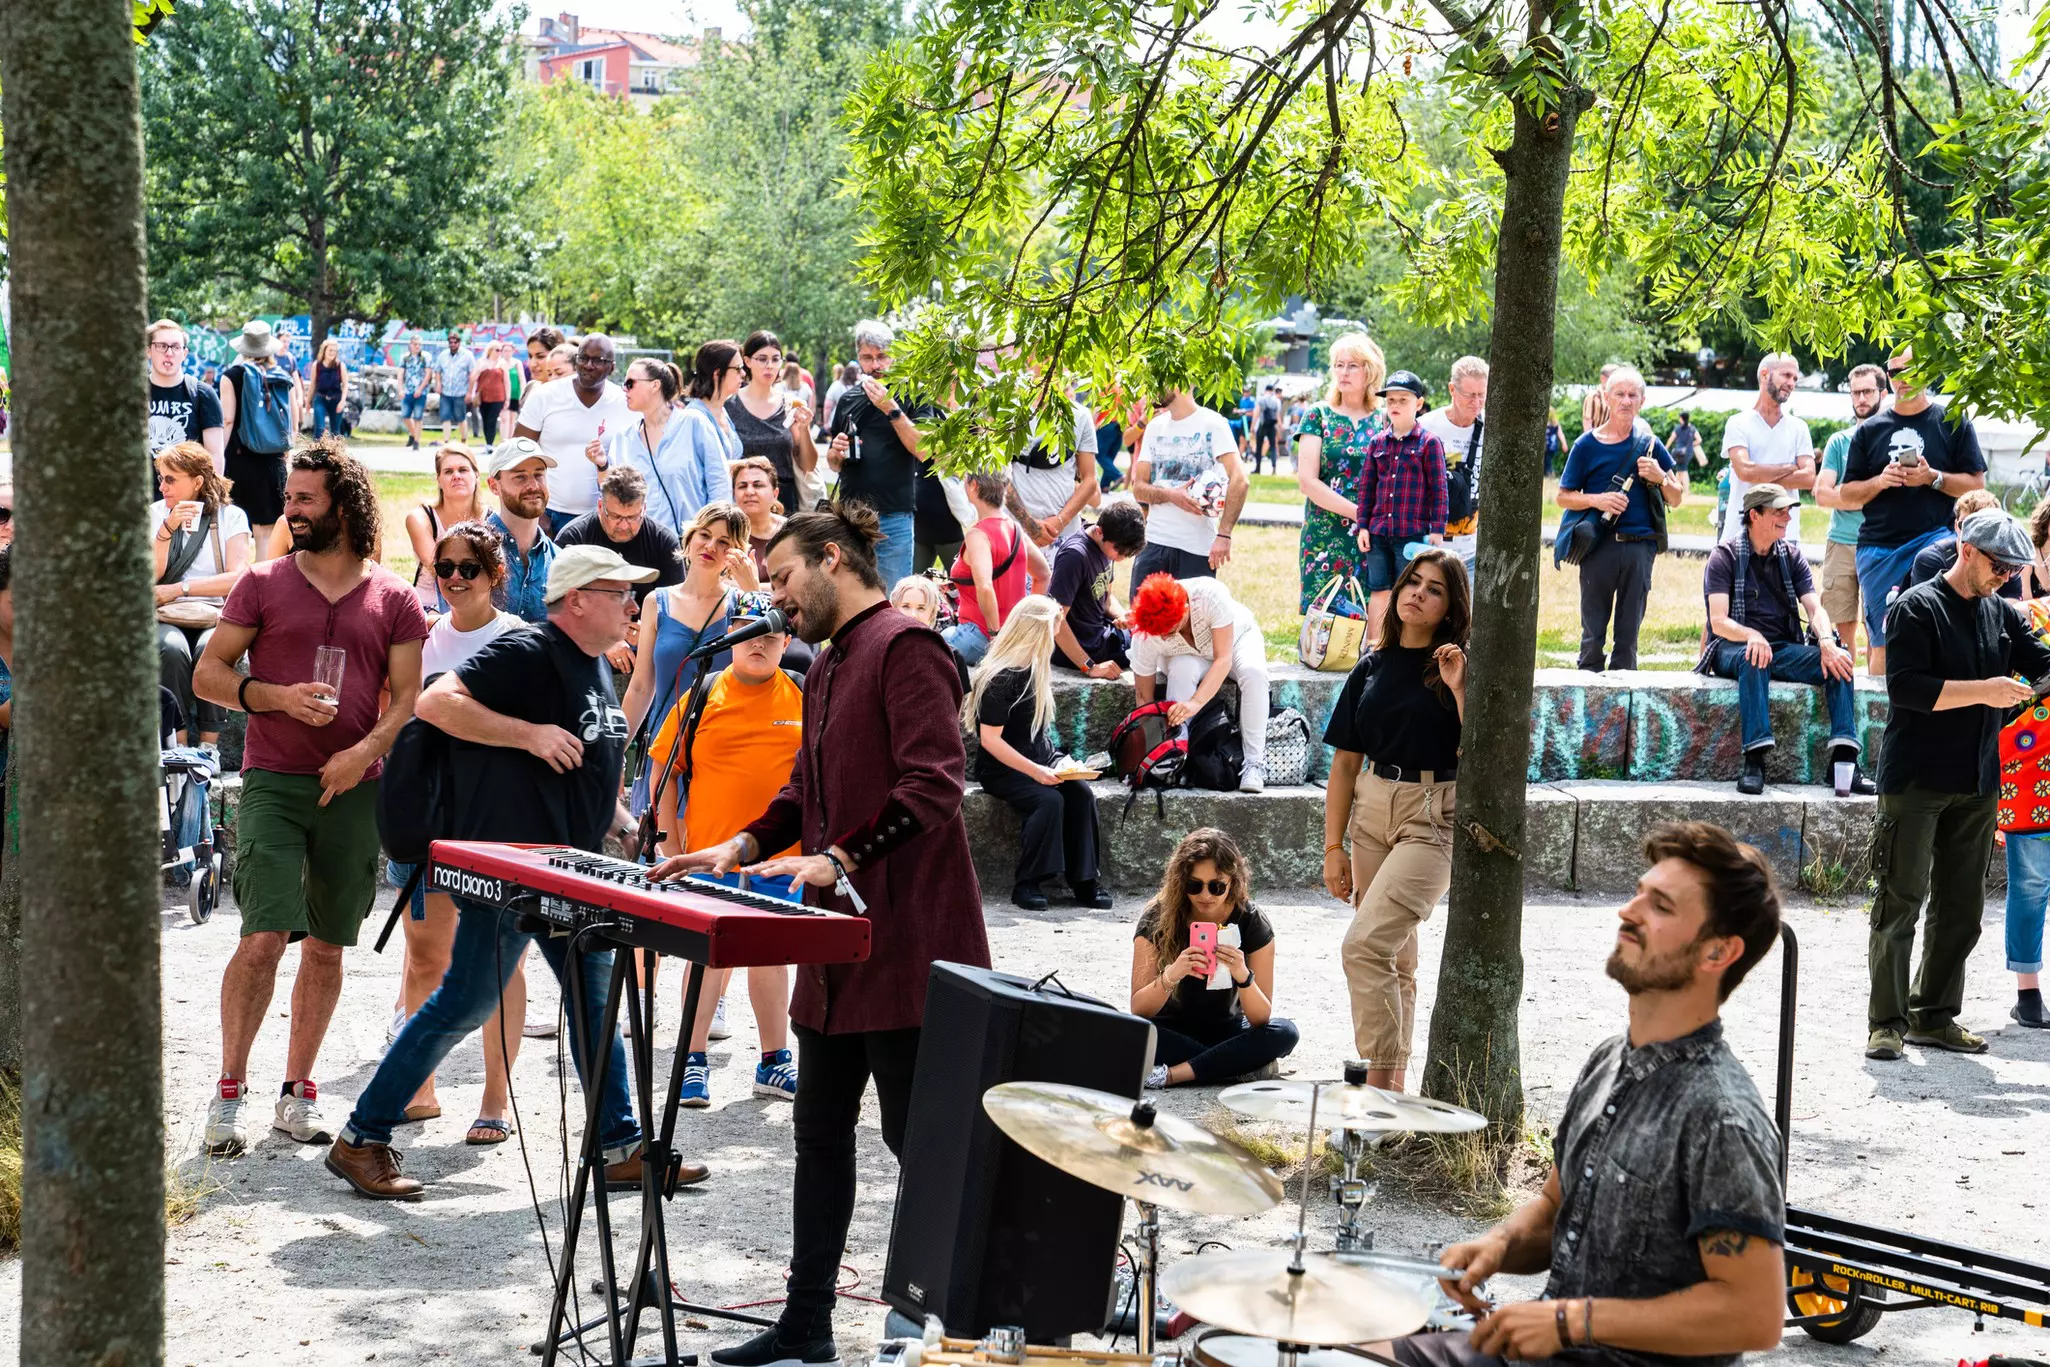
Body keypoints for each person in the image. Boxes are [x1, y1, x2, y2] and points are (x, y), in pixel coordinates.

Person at [650, 504, 991, 1367]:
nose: (776, 600)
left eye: (783, 578)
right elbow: (805, 794)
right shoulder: (831, 660)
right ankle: (807, 1322)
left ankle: (948, 1325)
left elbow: (935, 786)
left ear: (831, 558)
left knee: (918, 1141)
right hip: (835, 952)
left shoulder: (908, 648)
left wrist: (836, 860)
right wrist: (742, 844)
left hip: (912, 947)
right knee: (819, 1133)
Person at [1364, 822, 1788, 1367]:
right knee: (1330, 1342)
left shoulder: (1722, 1117)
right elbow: (1554, 1205)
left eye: (1659, 906)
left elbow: (1754, 1313)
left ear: (1717, 952)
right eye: (1639, 892)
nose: (1628, 912)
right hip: (1540, 1355)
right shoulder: (1609, 1060)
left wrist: (1570, 1320)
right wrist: (1498, 1246)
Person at [327, 545, 674, 1200]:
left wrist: (621, 821)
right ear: (577, 600)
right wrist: (526, 734)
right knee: (472, 998)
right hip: (513, 867)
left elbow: (580, 767)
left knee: (592, 1004)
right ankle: (361, 1137)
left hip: (567, 868)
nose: (633, 605)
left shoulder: (593, 666)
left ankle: (621, 1144)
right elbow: (436, 703)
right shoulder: (529, 651)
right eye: (619, 591)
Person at [192, 440, 428, 1156]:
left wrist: (361, 754)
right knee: (263, 932)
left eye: (303, 499)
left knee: (327, 945)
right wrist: (276, 698)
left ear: (344, 504)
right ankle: (228, 1092)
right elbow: (208, 674)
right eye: (288, 498)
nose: (289, 509)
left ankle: (296, 1093)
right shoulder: (261, 582)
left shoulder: (395, 596)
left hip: (355, 790)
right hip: (272, 780)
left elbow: (409, 699)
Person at [1865, 509, 2049, 1062]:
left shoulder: (2002, 613)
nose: (2004, 577)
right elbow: (1907, 691)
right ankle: (1886, 1024)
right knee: (1899, 902)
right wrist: (1986, 690)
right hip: (1916, 778)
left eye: (2014, 569)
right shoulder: (1915, 607)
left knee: (1963, 907)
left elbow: (2041, 662)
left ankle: (1934, 1016)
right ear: (1966, 549)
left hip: (1977, 780)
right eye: (1997, 566)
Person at [382, 521, 532, 1142]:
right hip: (429, 820)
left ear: (495, 575)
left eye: (468, 568)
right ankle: (421, 1087)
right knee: (424, 958)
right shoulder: (421, 639)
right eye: (444, 568)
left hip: (498, 823)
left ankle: (495, 1099)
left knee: (502, 961)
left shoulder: (520, 641)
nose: (453, 580)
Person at [1320, 549, 1468, 1090]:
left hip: (1432, 816)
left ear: (1450, 607)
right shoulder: (1371, 665)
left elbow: (1485, 751)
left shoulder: (1457, 667)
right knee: (1395, 961)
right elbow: (1344, 762)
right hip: (1371, 811)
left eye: (1434, 589)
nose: (1417, 593)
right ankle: (1393, 1094)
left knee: (1364, 946)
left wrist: (1458, 687)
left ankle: (1375, 1090)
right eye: (1413, 582)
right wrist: (1333, 847)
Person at [650, 599, 805, 1107]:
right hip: (707, 857)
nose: (758, 642)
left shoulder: (805, 697)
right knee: (705, 961)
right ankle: (691, 1060)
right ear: (729, 637)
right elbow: (663, 773)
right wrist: (670, 843)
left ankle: (774, 1061)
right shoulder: (702, 693)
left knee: (773, 956)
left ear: (788, 642)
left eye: (771, 634)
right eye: (747, 631)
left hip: (781, 858)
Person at [1699, 485, 1871, 797]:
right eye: (1778, 511)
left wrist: (1827, 642)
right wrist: (1752, 635)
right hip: (1732, 648)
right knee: (1754, 657)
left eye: (1789, 511)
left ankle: (1844, 761)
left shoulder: (1791, 556)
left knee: (1840, 660)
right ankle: (1754, 760)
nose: (1787, 517)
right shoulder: (1723, 557)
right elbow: (1718, 622)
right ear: (1755, 515)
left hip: (1781, 647)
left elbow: (1815, 608)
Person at [1837, 346, 1987, 677]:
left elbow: (1977, 484)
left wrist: (1932, 478)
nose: (1903, 380)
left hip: (1935, 544)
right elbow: (1846, 494)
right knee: (1883, 640)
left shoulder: (1952, 421)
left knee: (1941, 637)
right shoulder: (1870, 430)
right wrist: (1880, 481)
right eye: (1895, 373)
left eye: (1911, 371)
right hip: (1880, 550)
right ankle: (1878, 725)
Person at [967, 595, 1111, 910]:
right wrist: (1036, 772)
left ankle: (1085, 881)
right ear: (1037, 631)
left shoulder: (1035, 666)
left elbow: (1038, 734)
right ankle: (1028, 882)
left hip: (1040, 756)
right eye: (1054, 630)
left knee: (1081, 793)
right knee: (1049, 800)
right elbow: (991, 741)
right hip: (1003, 768)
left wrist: (1061, 765)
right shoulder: (1000, 678)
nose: (1057, 638)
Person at [1129, 827, 1297, 1087]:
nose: (1205, 896)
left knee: (1285, 1032)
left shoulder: (1251, 920)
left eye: (1217, 887)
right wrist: (1172, 975)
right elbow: (1139, 1008)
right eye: (1194, 885)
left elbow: (1261, 1018)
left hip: (1226, 1030)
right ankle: (1237, 1066)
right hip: (1171, 1029)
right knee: (1130, 1033)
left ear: (1233, 883)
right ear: (1180, 882)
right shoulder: (1158, 916)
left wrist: (1242, 975)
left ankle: (1174, 1074)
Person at [621, 501, 757, 820]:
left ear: (737, 553)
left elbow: (763, 665)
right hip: (663, 742)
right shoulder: (657, 602)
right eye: (705, 535)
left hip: (720, 743)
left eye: (724, 542)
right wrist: (615, 752)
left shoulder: (743, 603)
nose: (711, 546)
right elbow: (641, 687)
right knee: (655, 854)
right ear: (690, 537)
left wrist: (752, 589)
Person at [1556, 366, 1686, 672]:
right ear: (1605, 397)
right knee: (1592, 636)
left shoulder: (1651, 443)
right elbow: (1563, 496)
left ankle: (1624, 711)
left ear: (1642, 400)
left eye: (1632, 395)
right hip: (1599, 546)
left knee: (1628, 640)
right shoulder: (1586, 445)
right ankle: (1588, 705)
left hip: (1640, 549)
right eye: (1619, 394)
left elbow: (1677, 498)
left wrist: (1660, 478)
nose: (1626, 401)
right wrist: (1597, 500)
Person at [1129, 572, 1271, 793]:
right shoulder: (1145, 636)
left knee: (1254, 674)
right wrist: (1147, 747)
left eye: (1169, 631)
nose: (1164, 638)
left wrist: (1194, 703)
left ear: (1184, 610)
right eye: (1160, 634)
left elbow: (1223, 659)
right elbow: (1144, 699)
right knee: (1181, 668)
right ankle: (1176, 755)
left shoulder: (1210, 595)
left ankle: (1254, 763)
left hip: (1236, 641)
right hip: (1187, 657)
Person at [152, 441, 253, 750]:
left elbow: (238, 577)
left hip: (215, 613)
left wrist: (181, 589)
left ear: (196, 481)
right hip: (166, 614)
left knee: (212, 651)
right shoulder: (155, 514)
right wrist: (166, 530)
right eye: (161, 478)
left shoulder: (230, 517)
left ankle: (209, 748)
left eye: (171, 478)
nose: (162, 486)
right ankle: (178, 747)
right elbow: (150, 576)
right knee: (171, 648)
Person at [824, 319, 938, 588]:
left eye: (882, 357)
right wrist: (836, 452)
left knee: (892, 598)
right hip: (851, 515)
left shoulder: (914, 396)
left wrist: (892, 409)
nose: (875, 365)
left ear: (894, 356)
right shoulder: (848, 398)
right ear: (858, 359)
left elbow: (924, 451)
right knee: (851, 595)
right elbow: (833, 463)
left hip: (894, 516)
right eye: (867, 357)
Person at [1353, 370, 1449, 638]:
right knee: (1378, 589)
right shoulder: (1377, 443)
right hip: (1378, 531)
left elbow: (1439, 489)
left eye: (1403, 400)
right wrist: (1363, 526)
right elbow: (1367, 488)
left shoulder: (1429, 443)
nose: (1395, 405)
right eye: (1391, 400)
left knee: (1407, 590)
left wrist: (1437, 529)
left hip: (1412, 533)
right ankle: (1374, 647)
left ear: (1418, 404)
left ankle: (1403, 644)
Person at [1296, 332, 1387, 612]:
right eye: (1338, 364)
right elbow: (1307, 482)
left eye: (1352, 365)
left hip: (1372, 534)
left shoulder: (1384, 418)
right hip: (1325, 531)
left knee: (1369, 623)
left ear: (1369, 371)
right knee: (1325, 629)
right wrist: (1358, 513)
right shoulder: (1318, 414)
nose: (1343, 372)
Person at [1811, 363, 1889, 663]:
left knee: (1878, 631)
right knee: (1841, 629)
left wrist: (1846, 493)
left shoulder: (1894, 440)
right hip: (1841, 542)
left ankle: (1871, 700)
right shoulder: (1839, 441)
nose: (1861, 399)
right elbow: (1821, 494)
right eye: (1855, 392)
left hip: (1882, 542)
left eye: (1868, 391)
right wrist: (1869, 494)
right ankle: (1846, 692)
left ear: (1883, 392)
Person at [1129, 386, 1247, 583]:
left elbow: (1240, 479)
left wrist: (1224, 534)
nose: (1154, 385)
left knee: (1192, 615)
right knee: (1140, 614)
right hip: (1153, 545)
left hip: (1197, 549)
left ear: (1181, 382)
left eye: (1162, 379)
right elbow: (1139, 489)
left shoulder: (1214, 424)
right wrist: (1171, 495)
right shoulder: (1155, 426)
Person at [516, 332, 630, 535]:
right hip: (550, 514)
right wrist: (536, 511)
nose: (588, 365)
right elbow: (518, 453)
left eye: (598, 360)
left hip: (605, 516)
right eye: (583, 358)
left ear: (612, 367)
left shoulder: (625, 403)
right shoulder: (545, 396)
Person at [630, 343, 742, 533]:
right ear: (717, 373)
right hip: (693, 528)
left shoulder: (724, 412)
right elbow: (714, 477)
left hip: (720, 518)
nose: (744, 374)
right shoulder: (693, 419)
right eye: (738, 369)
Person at [944, 471, 1050, 666]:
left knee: (929, 641)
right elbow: (1043, 574)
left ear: (974, 485)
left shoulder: (978, 535)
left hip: (979, 637)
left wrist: (996, 637)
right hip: (1013, 635)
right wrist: (1027, 626)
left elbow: (985, 586)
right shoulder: (1016, 529)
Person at [217, 320, 302, 559]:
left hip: (239, 458)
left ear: (243, 347)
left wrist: (219, 460)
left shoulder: (231, 376)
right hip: (273, 459)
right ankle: (263, 587)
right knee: (266, 531)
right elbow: (293, 421)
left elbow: (228, 421)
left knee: (238, 527)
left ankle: (238, 584)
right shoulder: (283, 376)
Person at [553, 465, 686, 615]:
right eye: (615, 516)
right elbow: (558, 607)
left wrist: (649, 631)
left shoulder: (664, 542)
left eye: (632, 517)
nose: (623, 526)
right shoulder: (574, 538)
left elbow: (675, 609)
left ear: (644, 509)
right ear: (600, 506)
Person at [1717, 354, 1815, 543]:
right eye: (1786, 375)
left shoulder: (1798, 427)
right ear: (1764, 375)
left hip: (1786, 534)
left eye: (1795, 378)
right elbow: (1745, 471)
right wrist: (1789, 467)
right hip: (1741, 530)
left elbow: (1809, 478)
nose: (1791, 383)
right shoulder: (1738, 423)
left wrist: (1759, 472)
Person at [1048, 502, 1144, 676]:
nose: (1121, 558)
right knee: (1151, 645)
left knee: (1152, 633)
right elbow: (1055, 620)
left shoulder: (1107, 543)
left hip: (1099, 635)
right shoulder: (1075, 556)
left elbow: (1106, 599)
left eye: (1127, 555)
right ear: (1099, 532)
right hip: (1083, 647)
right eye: (1120, 552)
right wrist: (1090, 667)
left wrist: (1122, 616)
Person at [728, 330, 819, 509]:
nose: (769, 365)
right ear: (747, 361)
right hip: (742, 503)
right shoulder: (729, 406)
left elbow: (807, 465)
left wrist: (804, 429)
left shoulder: (791, 405)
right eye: (762, 359)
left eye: (776, 359)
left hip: (784, 503)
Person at [1005, 385, 1100, 546]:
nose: (1048, 362)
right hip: (1016, 532)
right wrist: (1028, 523)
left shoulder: (1080, 415)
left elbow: (1090, 481)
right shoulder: (1010, 410)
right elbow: (998, 476)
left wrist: (1061, 521)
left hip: (1064, 534)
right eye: (1042, 358)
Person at [1419, 357, 1487, 574]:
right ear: (1452, 389)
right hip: (1430, 548)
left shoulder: (1492, 428)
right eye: (1469, 395)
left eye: (1481, 395)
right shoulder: (1426, 427)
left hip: (1473, 552)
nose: (1476, 403)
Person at [402, 444, 488, 613]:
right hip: (430, 605)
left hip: (478, 606)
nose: (456, 476)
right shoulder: (420, 518)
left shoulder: (491, 518)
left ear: (476, 475)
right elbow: (443, 571)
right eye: (448, 471)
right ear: (439, 480)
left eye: (463, 470)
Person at [483, 437, 560, 624]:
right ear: (494, 486)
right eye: (520, 477)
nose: (533, 485)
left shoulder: (558, 560)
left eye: (539, 474)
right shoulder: (469, 551)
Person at [1902, 488, 2015, 599]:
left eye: (1982, 528)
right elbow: (1931, 610)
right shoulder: (1932, 560)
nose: (1971, 534)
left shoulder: (2005, 563)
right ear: (1956, 526)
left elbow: (2012, 606)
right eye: (1966, 525)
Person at [146, 318, 225, 476]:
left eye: (175, 347)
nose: (169, 353)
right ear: (148, 351)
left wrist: (210, 497)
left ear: (184, 353)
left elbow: (215, 455)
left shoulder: (203, 394)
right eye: (161, 346)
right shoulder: (135, 394)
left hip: (188, 497)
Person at [890, 574, 972, 692]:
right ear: (893, 609)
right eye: (906, 606)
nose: (913, 615)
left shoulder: (952, 657)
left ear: (933, 612)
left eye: (921, 608)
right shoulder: (882, 653)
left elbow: (961, 706)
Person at [732, 455, 786, 577]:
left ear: (775, 493)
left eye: (758, 485)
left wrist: (750, 586)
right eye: (742, 486)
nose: (749, 492)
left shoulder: (790, 531)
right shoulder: (725, 533)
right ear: (734, 494)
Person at [428, 329, 475, 445]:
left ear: (459, 342)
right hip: (446, 392)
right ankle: (446, 441)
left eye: (455, 342)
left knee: (460, 417)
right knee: (445, 416)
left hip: (460, 392)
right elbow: (437, 371)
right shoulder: (443, 355)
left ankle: (464, 440)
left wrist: (470, 392)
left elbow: (472, 374)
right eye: (451, 342)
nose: (453, 344)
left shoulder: (467, 355)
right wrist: (438, 384)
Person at [473, 339, 510, 448]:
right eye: (497, 350)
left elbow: (507, 381)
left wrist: (507, 398)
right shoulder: (481, 362)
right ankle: (487, 441)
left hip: (498, 396)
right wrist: (480, 370)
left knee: (492, 419)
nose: (499, 352)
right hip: (483, 396)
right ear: (490, 350)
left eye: (501, 350)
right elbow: (473, 378)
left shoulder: (502, 363)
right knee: (485, 419)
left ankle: (490, 444)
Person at [309, 338, 349, 439]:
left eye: (335, 351)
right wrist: (307, 401)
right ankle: (317, 452)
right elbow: (312, 384)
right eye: (330, 350)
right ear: (324, 350)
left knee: (335, 431)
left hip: (336, 399)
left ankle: (336, 453)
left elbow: (345, 385)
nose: (332, 353)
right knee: (320, 429)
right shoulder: (316, 365)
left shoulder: (340, 366)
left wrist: (342, 401)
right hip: (320, 398)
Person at [397, 336, 432, 450]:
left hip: (421, 392)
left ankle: (416, 441)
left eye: (419, 344)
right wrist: (400, 389)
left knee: (418, 416)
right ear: (410, 345)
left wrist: (420, 389)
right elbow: (401, 373)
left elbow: (428, 374)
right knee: (406, 416)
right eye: (415, 344)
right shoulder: (405, 358)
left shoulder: (425, 357)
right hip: (408, 390)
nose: (417, 346)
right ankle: (413, 434)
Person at [1250, 384, 1283, 475]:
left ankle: (1258, 468)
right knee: (1273, 447)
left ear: (1265, 390)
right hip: (1272, 426)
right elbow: (1278, 416)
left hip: (1262, 425)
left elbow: (1256, 413)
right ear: (1272, 390)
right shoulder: (1276, 401)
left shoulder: (1261, 399)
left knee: (1259, 446)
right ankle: (1274, 468)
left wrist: (1252, 427)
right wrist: (1280, 429)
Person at [1544, 413, 1563, 478]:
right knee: (1548, 462)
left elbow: (1560, 434)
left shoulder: (1554, 425)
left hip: (1549, 447)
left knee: (1548, 462)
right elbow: (1561, 434)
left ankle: (1549, 475)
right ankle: (1549, 474)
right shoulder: (1555, 425)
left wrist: (1564, 444)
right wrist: (1564, 443)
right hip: (1551, 447)